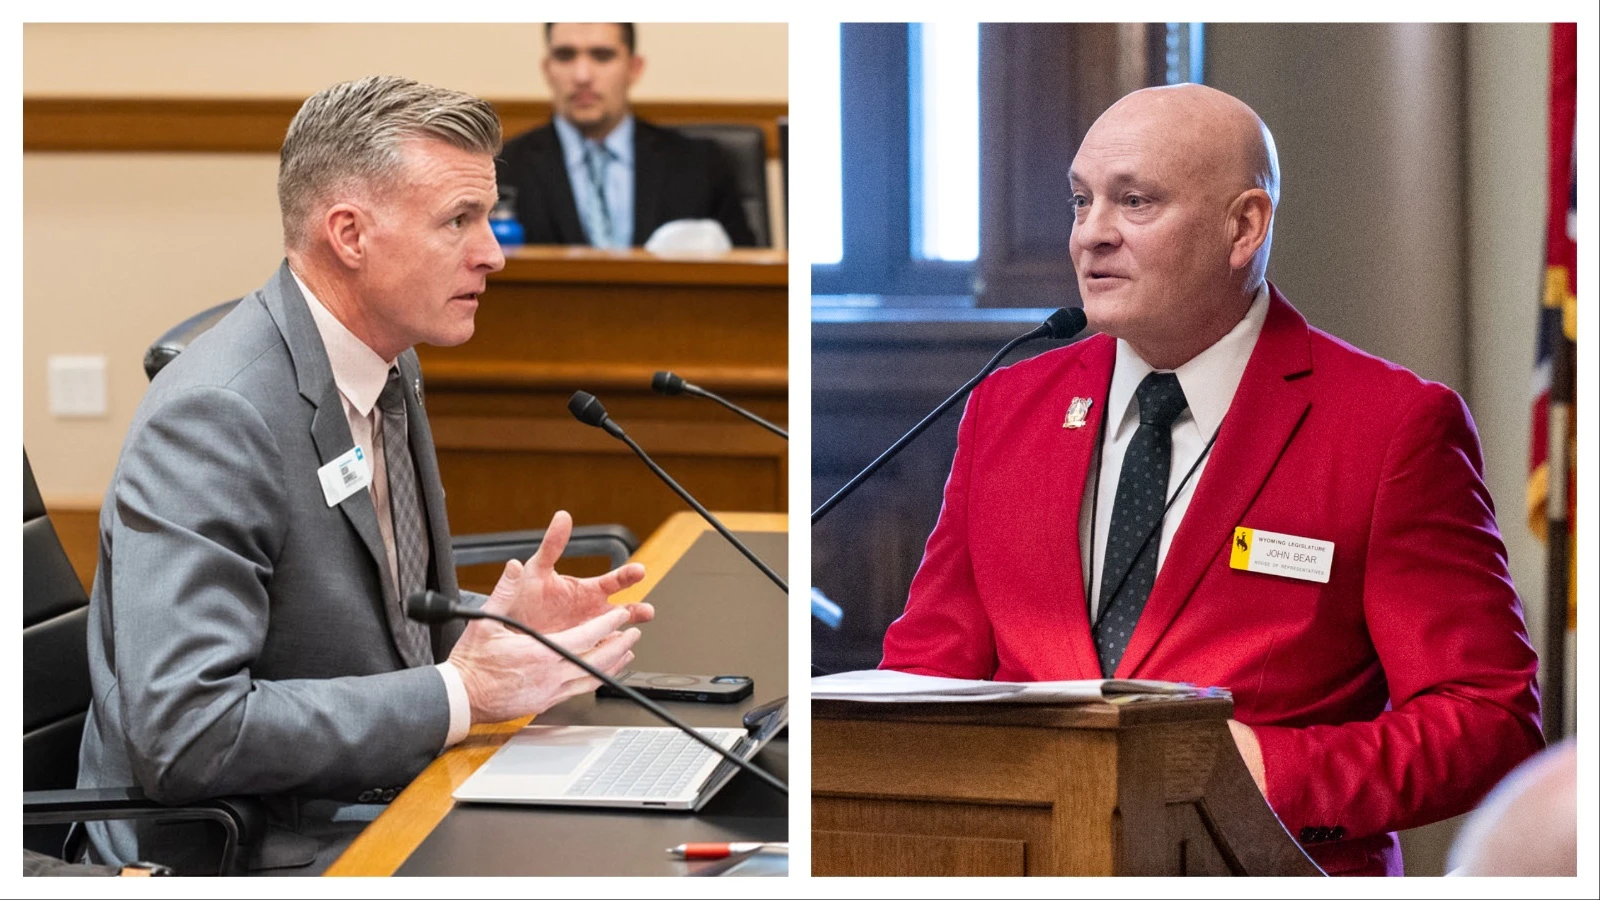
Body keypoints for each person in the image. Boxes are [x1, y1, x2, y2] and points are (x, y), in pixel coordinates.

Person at [878, 83, 1543, 876]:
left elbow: (1489, 722)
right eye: (1080, 201)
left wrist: (1264, 771)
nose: (1091, 235)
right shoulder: (1008, 407)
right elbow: (924, 679)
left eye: (1134, 202)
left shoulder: (1390, 426)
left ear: (1243, 227)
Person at [78, 75, 654, 875]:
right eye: (459, 220)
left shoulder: (388, 361)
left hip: (376, 793)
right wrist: (465, 693)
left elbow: (372, 617)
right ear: (349, 235)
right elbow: (188, 732)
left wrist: (502, 623)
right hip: (248, 845)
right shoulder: (216, 416)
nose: (493, 252)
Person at [496, 22, 759, 248]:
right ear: (547, 69)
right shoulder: (503, 169)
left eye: (602, 56)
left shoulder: (700, 166)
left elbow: (748, 281)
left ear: (634, 68)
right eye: (565, 56)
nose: (582, 75)